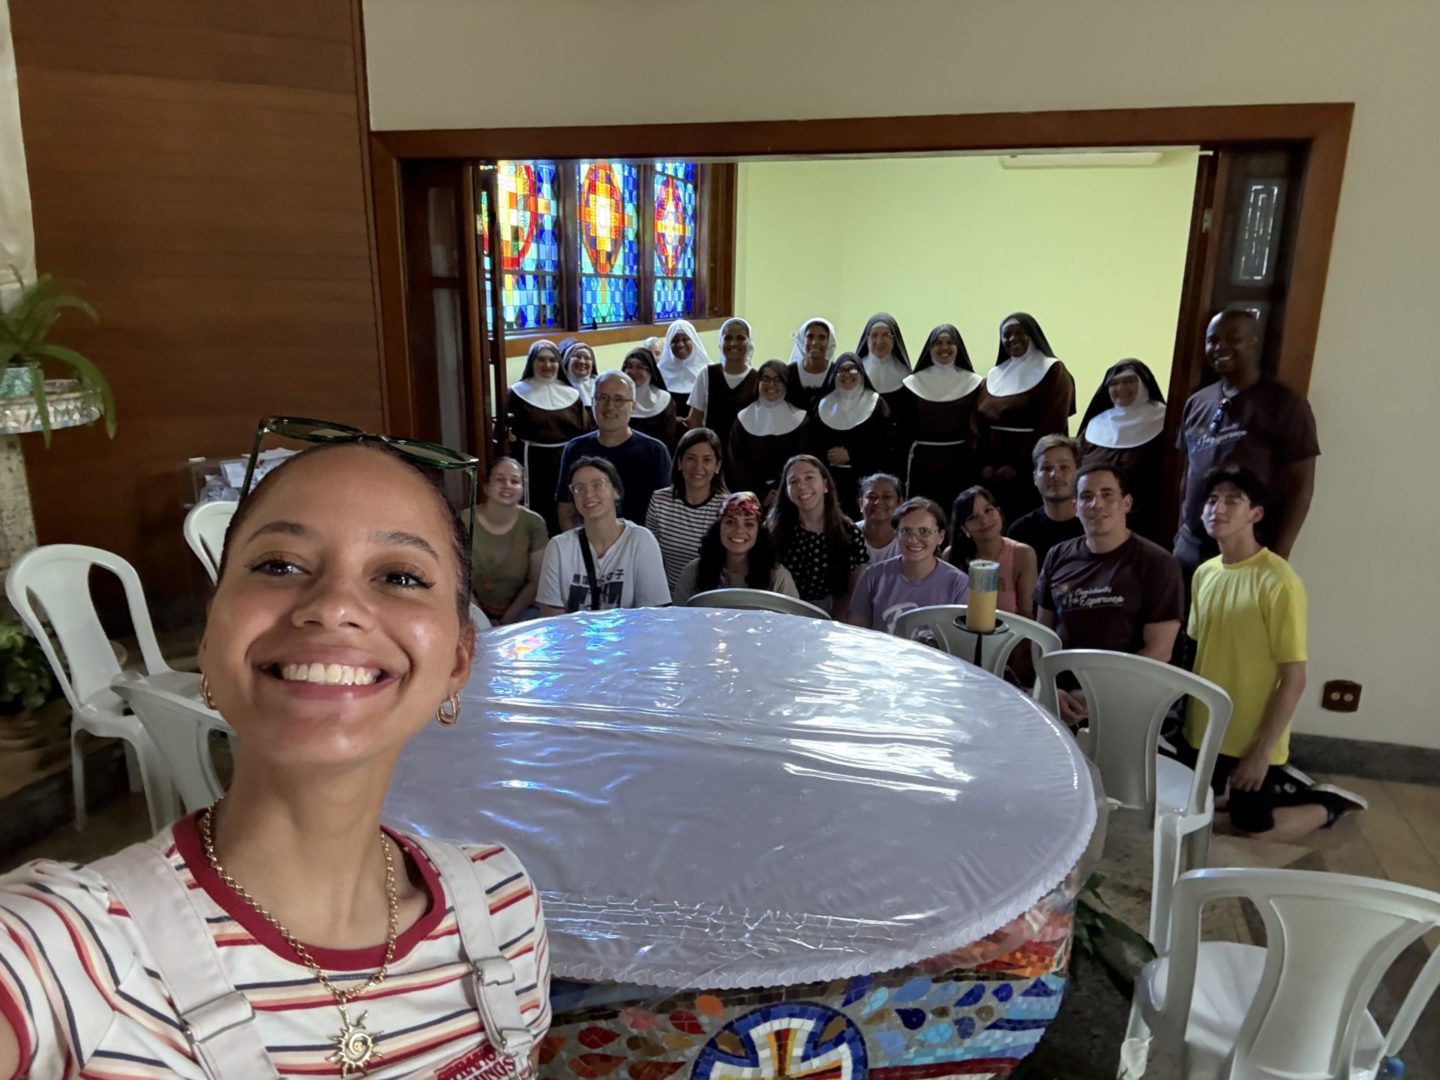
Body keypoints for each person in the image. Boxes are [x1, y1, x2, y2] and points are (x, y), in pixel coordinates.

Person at [0, 439, 552, 1077]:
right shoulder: (62, 952)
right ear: (211, 636)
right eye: (280, 565)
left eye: (400, 577)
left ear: (458, 660)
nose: (334, 606)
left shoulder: (503, 907)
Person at [1172, 465, 1363, 841]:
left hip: (1250, 736)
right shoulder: (1204, 573)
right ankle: (1265, 787)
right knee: (1196, 811)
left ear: (1255, 514)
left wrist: (1260, 751)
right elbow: (1199, 652)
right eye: (1211, 500)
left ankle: (1327, 804)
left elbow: (1294, 677)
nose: (1217, 509)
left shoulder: (1279, 581)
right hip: (1203, 729)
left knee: (1251, 832)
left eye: (1232, 501)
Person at [1174, 309, 1319, 581]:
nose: (1220, 347)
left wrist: (1278, 556)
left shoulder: (1284, 404)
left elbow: (1301, 486)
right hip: (1190, 546)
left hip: (1247, 550)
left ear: (1254, 342)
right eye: (1213, 340)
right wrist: (1181, 532)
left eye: (1233, 339)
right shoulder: (1197, 402)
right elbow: (1187, 473)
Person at [1034, 464, 1184, 725]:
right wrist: (1049, 686)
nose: (1097, 504)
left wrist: (1093, 696)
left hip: (1126, 703)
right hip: (1059, 699)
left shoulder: (1158, 563)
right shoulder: (1057, 556)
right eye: (1087, 496)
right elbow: (1041, 635)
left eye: (1107, 494)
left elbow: (1159, 651)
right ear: (1075, 507)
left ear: (1126, 503)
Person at [538, 457, 671, 614]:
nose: (588, 494)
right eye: (579, 488)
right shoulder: (559, 547)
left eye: (598, 485)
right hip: (572, 631)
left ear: (616, 491)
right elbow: (551, 615)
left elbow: (652, 613)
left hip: (631, 630)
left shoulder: (640, 540)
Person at [975, 312, 1077, 519]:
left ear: (1033, 335)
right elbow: (977, 421)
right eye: (1007, 334)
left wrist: (1019, 465)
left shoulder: (1053, 370)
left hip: (1032, 468)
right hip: (992, 471)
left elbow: (1053, 422)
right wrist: (984, 464)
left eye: (1020, 332)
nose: (1013, 338)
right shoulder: (994, 375)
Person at [554, 370, 672, 530]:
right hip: (587, 539)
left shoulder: (655, 451)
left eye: (619, 399)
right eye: (603, 398)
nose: (610, 406)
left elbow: (665, 512)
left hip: (641, 541)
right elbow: (566, 508)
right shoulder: (576, 448)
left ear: (633, 406)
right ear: (592, 403)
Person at [1077, 358, 1170, 544]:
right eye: (1114, 383)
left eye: (1129, 381)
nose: (1121, 388)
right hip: (1096, 519)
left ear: (1144, 384)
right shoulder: (1095, 425)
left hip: (1147, 523)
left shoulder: (1165, 421)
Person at [894, 323, 983, 515]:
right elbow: (902, 433)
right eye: (938, 343)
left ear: (958, 347)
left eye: (950, 342)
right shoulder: (913, 384)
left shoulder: (973, 383)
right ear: (930, 348)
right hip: (923, 464)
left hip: (961, 463)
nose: (944, 348)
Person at [506, 338, 593, 534]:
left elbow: (584, 431)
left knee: (565, 511)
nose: (547, 365)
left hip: (565, 463)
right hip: (532, 466)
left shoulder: (572, 395)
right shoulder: (516, 393)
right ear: (532, 362)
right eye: (541, 360)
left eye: (553, 360)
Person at [767, 454, 868, 618]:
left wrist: (831, 624)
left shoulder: (849, 533)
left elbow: (852, 591)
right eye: (793, 481)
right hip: (782, 611)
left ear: (825, 485)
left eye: (809, 477)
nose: (801, 486)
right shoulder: (774, 530)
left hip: (832, 614)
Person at [849, 497, 968, 634]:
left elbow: (963, 641)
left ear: (940, 536)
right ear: (896, 534)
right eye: (906, 531)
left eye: (924, 531)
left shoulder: (959, 584)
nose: (913, 539)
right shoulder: (872, 577)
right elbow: (856, 634)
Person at [672, 491, 800, 605]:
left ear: (759, 532)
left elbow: (794, 622)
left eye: (749, 524)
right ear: (718, 528)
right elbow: (678, 618)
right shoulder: (693, 572)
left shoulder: (778, 577)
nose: (739, 530)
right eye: (730, 522)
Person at [463, 456, 549, 625]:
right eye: (500, 479)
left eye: (515, 481)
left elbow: (536, 581)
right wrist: (483, 622)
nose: (507, 485)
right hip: (472, 610)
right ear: (486, 486)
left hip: (523, 613)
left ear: (522, 488)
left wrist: (506, 621)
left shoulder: (534, 523)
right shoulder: (465, 519)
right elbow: (459, 579)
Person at [645, 427, 727, 592]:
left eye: (706, 460)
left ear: (717, 466)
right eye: (691, 458)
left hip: (710, 598)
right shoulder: (660, 500)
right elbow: (649, 556)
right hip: (666, 596)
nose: (698, 467)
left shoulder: (726, 507)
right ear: (679, 463)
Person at [808, 352, 892, 509]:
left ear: (862, 373)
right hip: (829, 482)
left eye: (853, 369)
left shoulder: (877, 405)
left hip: (865, 483)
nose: (847, 374)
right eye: (841, 370)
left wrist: (852, 456)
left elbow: (885, 446)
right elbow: (812, 444)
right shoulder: (822, 405)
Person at [945, 485, 1037, 618]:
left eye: (988, 510)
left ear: (999, 512)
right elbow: (946, 610)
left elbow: (1026, 614)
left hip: (1010, 631)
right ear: (965, 529)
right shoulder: (951, 555)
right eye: (973, 517)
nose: (983, 520)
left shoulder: (1023, 554)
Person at [727, 359, 810, 506]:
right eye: (766, 378)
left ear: (787, 384)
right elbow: (737, 463)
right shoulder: (743, 419)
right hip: (751, 498)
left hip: (791, 495)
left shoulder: (801, 420)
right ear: (758, 382)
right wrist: (762, 492)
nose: (771, 384)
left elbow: (803, 460)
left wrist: (780, 490)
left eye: (778, 380)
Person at [1006, 435, 1085, 569]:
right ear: (1035, 478)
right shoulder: (1020, 533)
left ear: (1078, 473)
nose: (1055, 474)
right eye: (1047, 468)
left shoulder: (1093, 527)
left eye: (1064, 467)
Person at [686, 316, 758, 455]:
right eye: (728, 338)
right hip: (711, 453)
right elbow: (695, 418)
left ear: (749, 343)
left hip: (745, 454)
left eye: (740, 338)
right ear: (720, 341)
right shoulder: (707, 374)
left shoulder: (756, 378)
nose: (733, 343)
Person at [622, 346, 678, 450]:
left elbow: (669, 440)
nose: (633, 371)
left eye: (639, 367)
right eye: (629, 366)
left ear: (650, 371)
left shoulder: (663, 399)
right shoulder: (616, 399)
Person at [854, 312, 912, 412]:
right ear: (867, 339)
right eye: (874, 335)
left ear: (894, 339)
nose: (879, 341)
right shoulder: (854, 373)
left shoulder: (905, 376)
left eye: (886, 335)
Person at [656, 318, 711, 415]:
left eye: (685, 339)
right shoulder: (659, 372)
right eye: (675, 340)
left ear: (693, 341)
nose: (680, 345)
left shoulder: (709, 371)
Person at [785, 316, 836, 410]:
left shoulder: (836, 373)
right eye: (810, 337)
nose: (814, 343)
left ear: (829, 342)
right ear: (802, 340)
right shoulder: (789, 372)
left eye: (822, 337)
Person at [857, 472, 903, 564]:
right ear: (861, 504)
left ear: (900, 503)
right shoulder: (846, 535)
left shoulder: (909, 537)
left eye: (886, 497)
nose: (878, 502)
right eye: (872, 497)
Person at [560, 339, 598, 407]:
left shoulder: (599, 386)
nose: (582, 361)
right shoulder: (559, 388)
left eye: (587, 358)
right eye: (577, 356)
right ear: (567, 361)